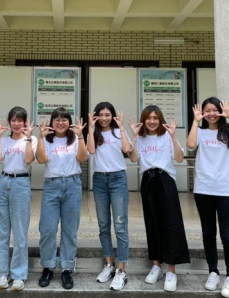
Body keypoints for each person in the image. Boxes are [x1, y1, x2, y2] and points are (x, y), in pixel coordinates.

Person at [186, 98, 229, 298]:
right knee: (208, 233)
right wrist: (195, 121)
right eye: (207, 110)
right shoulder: (200, 131)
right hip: (204, 189)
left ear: (221, 111)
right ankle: (213, 272)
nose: (211, 114)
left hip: (227, 190)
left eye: (215, 110)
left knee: (228, 236)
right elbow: (190, 145)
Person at [128, 105, 190, 292]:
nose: (152, 121)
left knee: (171, 224)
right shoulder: (140, 137)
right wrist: (134, 137)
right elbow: (133, 158)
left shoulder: (166, 136)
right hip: (148, 181)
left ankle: (171, 270)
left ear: (160, 119)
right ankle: (156, 265)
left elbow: (180, 158)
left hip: (165, 180)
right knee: (152, 223)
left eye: (155, 118)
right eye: (148, 118)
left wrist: (173, 136)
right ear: (144, 120)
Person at [36, 107, 88, 290]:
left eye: (64, 119)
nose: (60, 122)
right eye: (57, 119)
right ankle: (48, 266)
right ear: (52, 122)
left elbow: (83, 157)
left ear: (69, 122)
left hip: (72, 185)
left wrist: (80, 136)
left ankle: (67, 268)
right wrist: (40, 138)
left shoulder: (75, 139)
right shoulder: (46, 140)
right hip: (52, 185)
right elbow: (41, 160)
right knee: (47, 229)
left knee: (70, 229)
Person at [86, 102, 132, 290]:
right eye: (101, 115)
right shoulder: (94, 133)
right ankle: (109, 264)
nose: (104, 118)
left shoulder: (118, 132)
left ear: (112, 115)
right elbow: (90, 151)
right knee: (103, 224)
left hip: (118, 179)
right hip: (99, 180)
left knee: (120, 225)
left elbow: (127, 149)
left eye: (107, 115)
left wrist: (122, 127)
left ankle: (122, 270)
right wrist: (90, 127)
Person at [0, 107, 37, 291]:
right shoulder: (3, 140)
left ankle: (18, 275)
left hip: (21, 182)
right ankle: (2, 273)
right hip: (3, 182)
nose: (17, 124)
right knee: (1, 231)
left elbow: (28, 160)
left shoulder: (31, 139)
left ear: (25, 122)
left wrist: (28, 138)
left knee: (20, 231)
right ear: (9, 122)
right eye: (13, 120)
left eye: (20, 120)